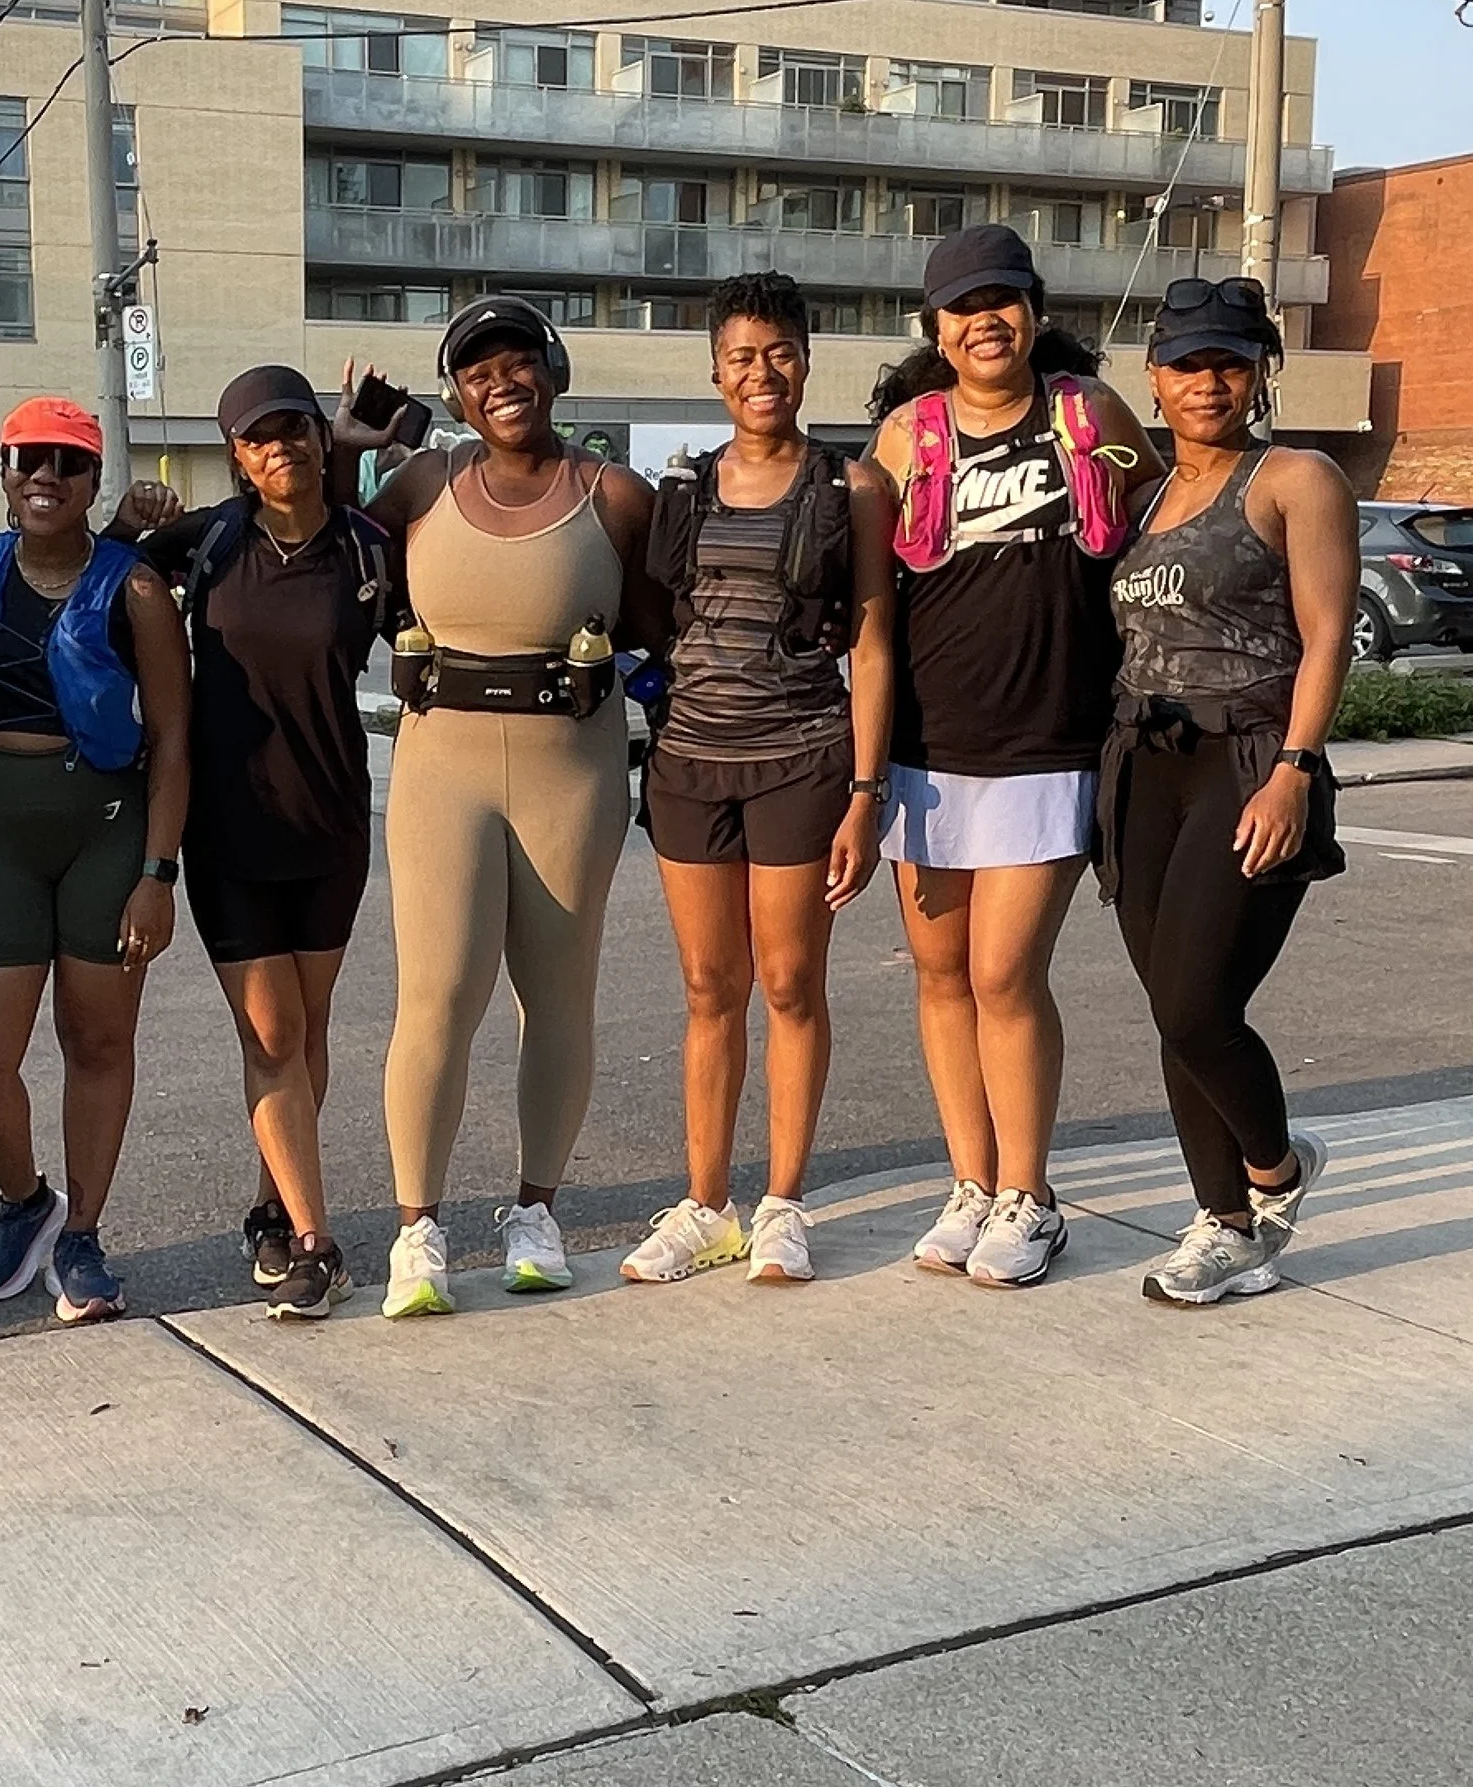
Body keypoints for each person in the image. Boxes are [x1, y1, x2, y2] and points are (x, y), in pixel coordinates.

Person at [336, 298, 656, 1317]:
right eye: (477, 372)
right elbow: (335, 558)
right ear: (456, 395)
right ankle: (416, 1229)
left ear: (553, 373)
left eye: (519, 364)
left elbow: (661, 623)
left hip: (576, 762)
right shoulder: (423, 481)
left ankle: (535, 1212)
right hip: (444, 764)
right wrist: (348, 453)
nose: (501, 382)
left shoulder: (613, 494)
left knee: (557, 997)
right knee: (435, 998)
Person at [868, 225, 1151, 1289]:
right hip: (927, 752)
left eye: (1002, 299)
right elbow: (869, 602)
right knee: (939, 975)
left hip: (1049, 744)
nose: (983, 320)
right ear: (934, 329)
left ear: (1033, 310)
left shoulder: (1089, 416)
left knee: (1002, 972)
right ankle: (972, 1183)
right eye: (961, 306)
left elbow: (1165, 517)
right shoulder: (907, 436)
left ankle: (1032, 1196)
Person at [623, 273, 897, 1291]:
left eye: (777, 351)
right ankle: (705, 1205)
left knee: (786, 982)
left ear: (804, 359)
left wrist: (866, 793)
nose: (760, 372)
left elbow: (870, 644)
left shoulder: (847, 488)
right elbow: (659, 627)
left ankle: (781, 1202)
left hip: (800, 759)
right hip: (691, 763)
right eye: (740, 355)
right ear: (713, 369)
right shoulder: (682, 489)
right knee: (708, 987)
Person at [1099, 276, 1355, 1303]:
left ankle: (1275, 1174)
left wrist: (1294, 770)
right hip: (1140, 772)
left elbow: (1328, 635)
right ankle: (1220, 1224)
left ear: (1259, 372)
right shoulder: (1142, 497)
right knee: (1171, 1009)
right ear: (1153, 379)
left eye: (1229, 362)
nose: (1208, 382)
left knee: (1201, 1002)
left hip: (1248, 760)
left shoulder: (1293, 476)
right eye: (1187, 364)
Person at [128, 366, 392, 1322]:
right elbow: (99, 570)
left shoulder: (367, 550)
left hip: (333, 825)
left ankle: (276, 1204)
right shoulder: (202, 542)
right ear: (237, 456)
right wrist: (125, 515)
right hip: (229, 828)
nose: (279, 445)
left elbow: (424, 638)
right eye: (257, 436)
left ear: (319, 438)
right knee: (273, 1032)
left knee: (307, 1031)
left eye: (293, 428)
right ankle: (319, 1243)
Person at [0, 397, 191, 1326]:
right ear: (4, 470)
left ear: (91, 481)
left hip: (106, 827)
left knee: (96, 1040)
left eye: (68, 462)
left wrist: (157, 875)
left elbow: (172, 743)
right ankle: (26, 1200)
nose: (46, 474)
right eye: (27, 458)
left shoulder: (138, 592)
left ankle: (81, 1230)